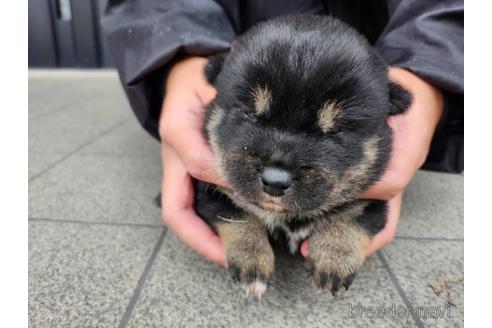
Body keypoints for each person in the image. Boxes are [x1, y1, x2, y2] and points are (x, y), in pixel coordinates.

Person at [102, 1, 464, 267]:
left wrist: (431, 75)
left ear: (390, 112)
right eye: (249, 116)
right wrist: (179, 54)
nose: (277, 171)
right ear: (215, 85)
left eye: (334, 131)